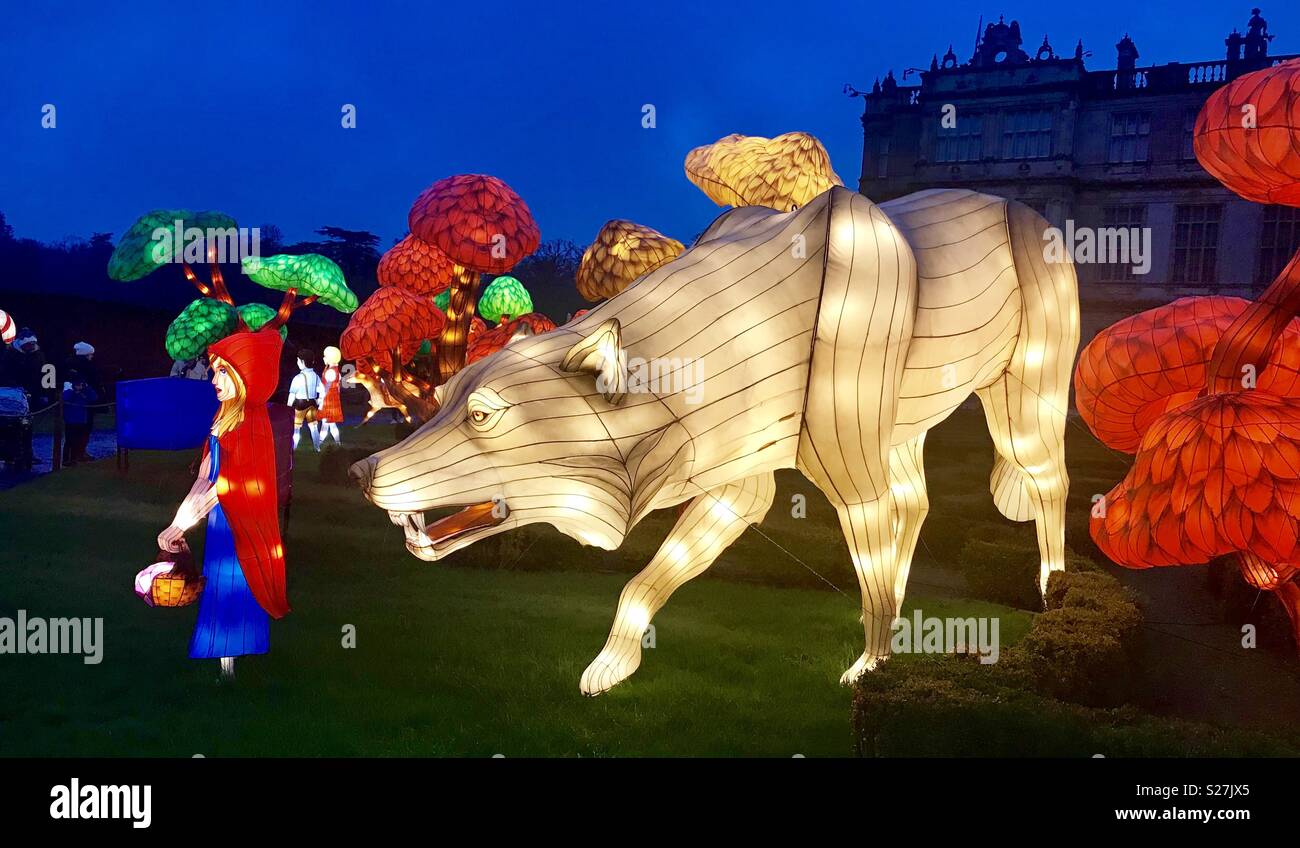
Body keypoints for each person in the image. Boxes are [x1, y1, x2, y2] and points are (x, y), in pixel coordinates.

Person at [157, 329, 290, 683]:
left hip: (239, 522)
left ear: (245, 375)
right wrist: (177, 522)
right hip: (223, 522)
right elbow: (206, 476)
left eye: (223, 371)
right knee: (222, 581)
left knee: (233, 583)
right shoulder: (224, 417)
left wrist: (181, 525)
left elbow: (223, 485)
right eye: (214, 370)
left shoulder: (247, 423)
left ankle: (229, 664)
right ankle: (228, 659)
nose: (214, 379)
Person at [287, 349, 323, 451]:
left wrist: (288, 407)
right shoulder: (316, 376)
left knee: (296, 428)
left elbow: (292, 394)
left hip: (300, 405)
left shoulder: (298, 378)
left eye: (298, 361)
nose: (297, 363)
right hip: (312, 404)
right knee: (314, 427)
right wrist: (319, 400)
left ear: (302, 362)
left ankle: (293, 448)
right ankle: (317, 448)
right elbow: (322, 390)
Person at [61, 371, 97, 464]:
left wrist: (86, 387)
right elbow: (65, 398)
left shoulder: (84, 391)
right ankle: (66, 460)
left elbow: (93, 397)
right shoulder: (68, 391)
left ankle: (74, 459)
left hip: (81, 419)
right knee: (69, 440)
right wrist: (74, 390)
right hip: (70, 420)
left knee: (78, 440)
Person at [318, 346, 344, 446]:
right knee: (330, 423)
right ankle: (337, 442)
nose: (324, 358)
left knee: (327, 422)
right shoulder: (334, 370)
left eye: (325, 356)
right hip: (332, 398)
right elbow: (338, 387)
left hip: (328, 399)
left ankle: (320, 443)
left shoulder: (330, 371)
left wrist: (321, 399)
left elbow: (327, 387)